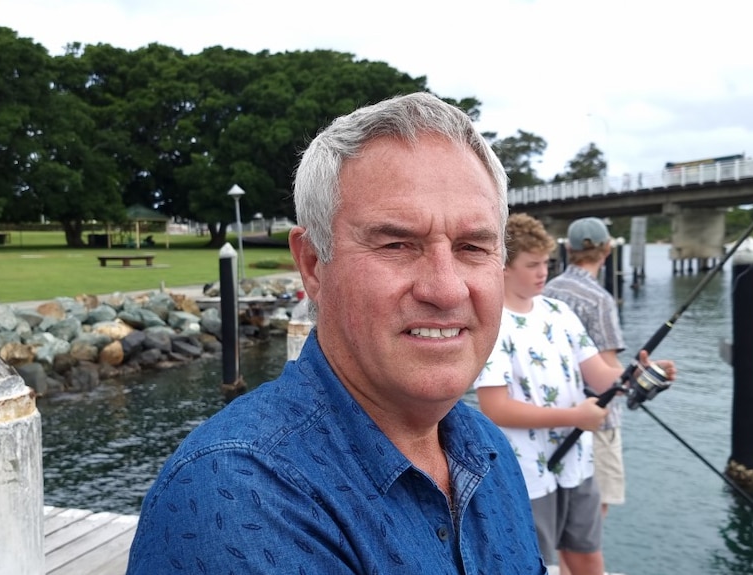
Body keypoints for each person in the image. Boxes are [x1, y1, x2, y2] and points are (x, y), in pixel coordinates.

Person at [126, 93, 547, 574]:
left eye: (472, 247)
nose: (446, 290)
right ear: (312, 264)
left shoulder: (487, 449)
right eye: (397, 244)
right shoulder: (239, 494)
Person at [473, 213, 675, 575]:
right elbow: (495, 408)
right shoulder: (490, 324)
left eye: (547, 263)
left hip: (577, 464)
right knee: (539, 565)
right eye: (531, 265)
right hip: (527, 473)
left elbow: (600, 376)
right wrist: (574, 417)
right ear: (502, 266)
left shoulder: (560, 311)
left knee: (587, 556)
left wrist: (638, 376)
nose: (543, 273)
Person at [544, 217, 626, 520]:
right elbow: (608, 369)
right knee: (590, 517)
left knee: (563, 512)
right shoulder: (600, 299)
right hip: (597, 420)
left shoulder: (547, 291)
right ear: (607, 249)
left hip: (556, 413)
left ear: (567, 248)